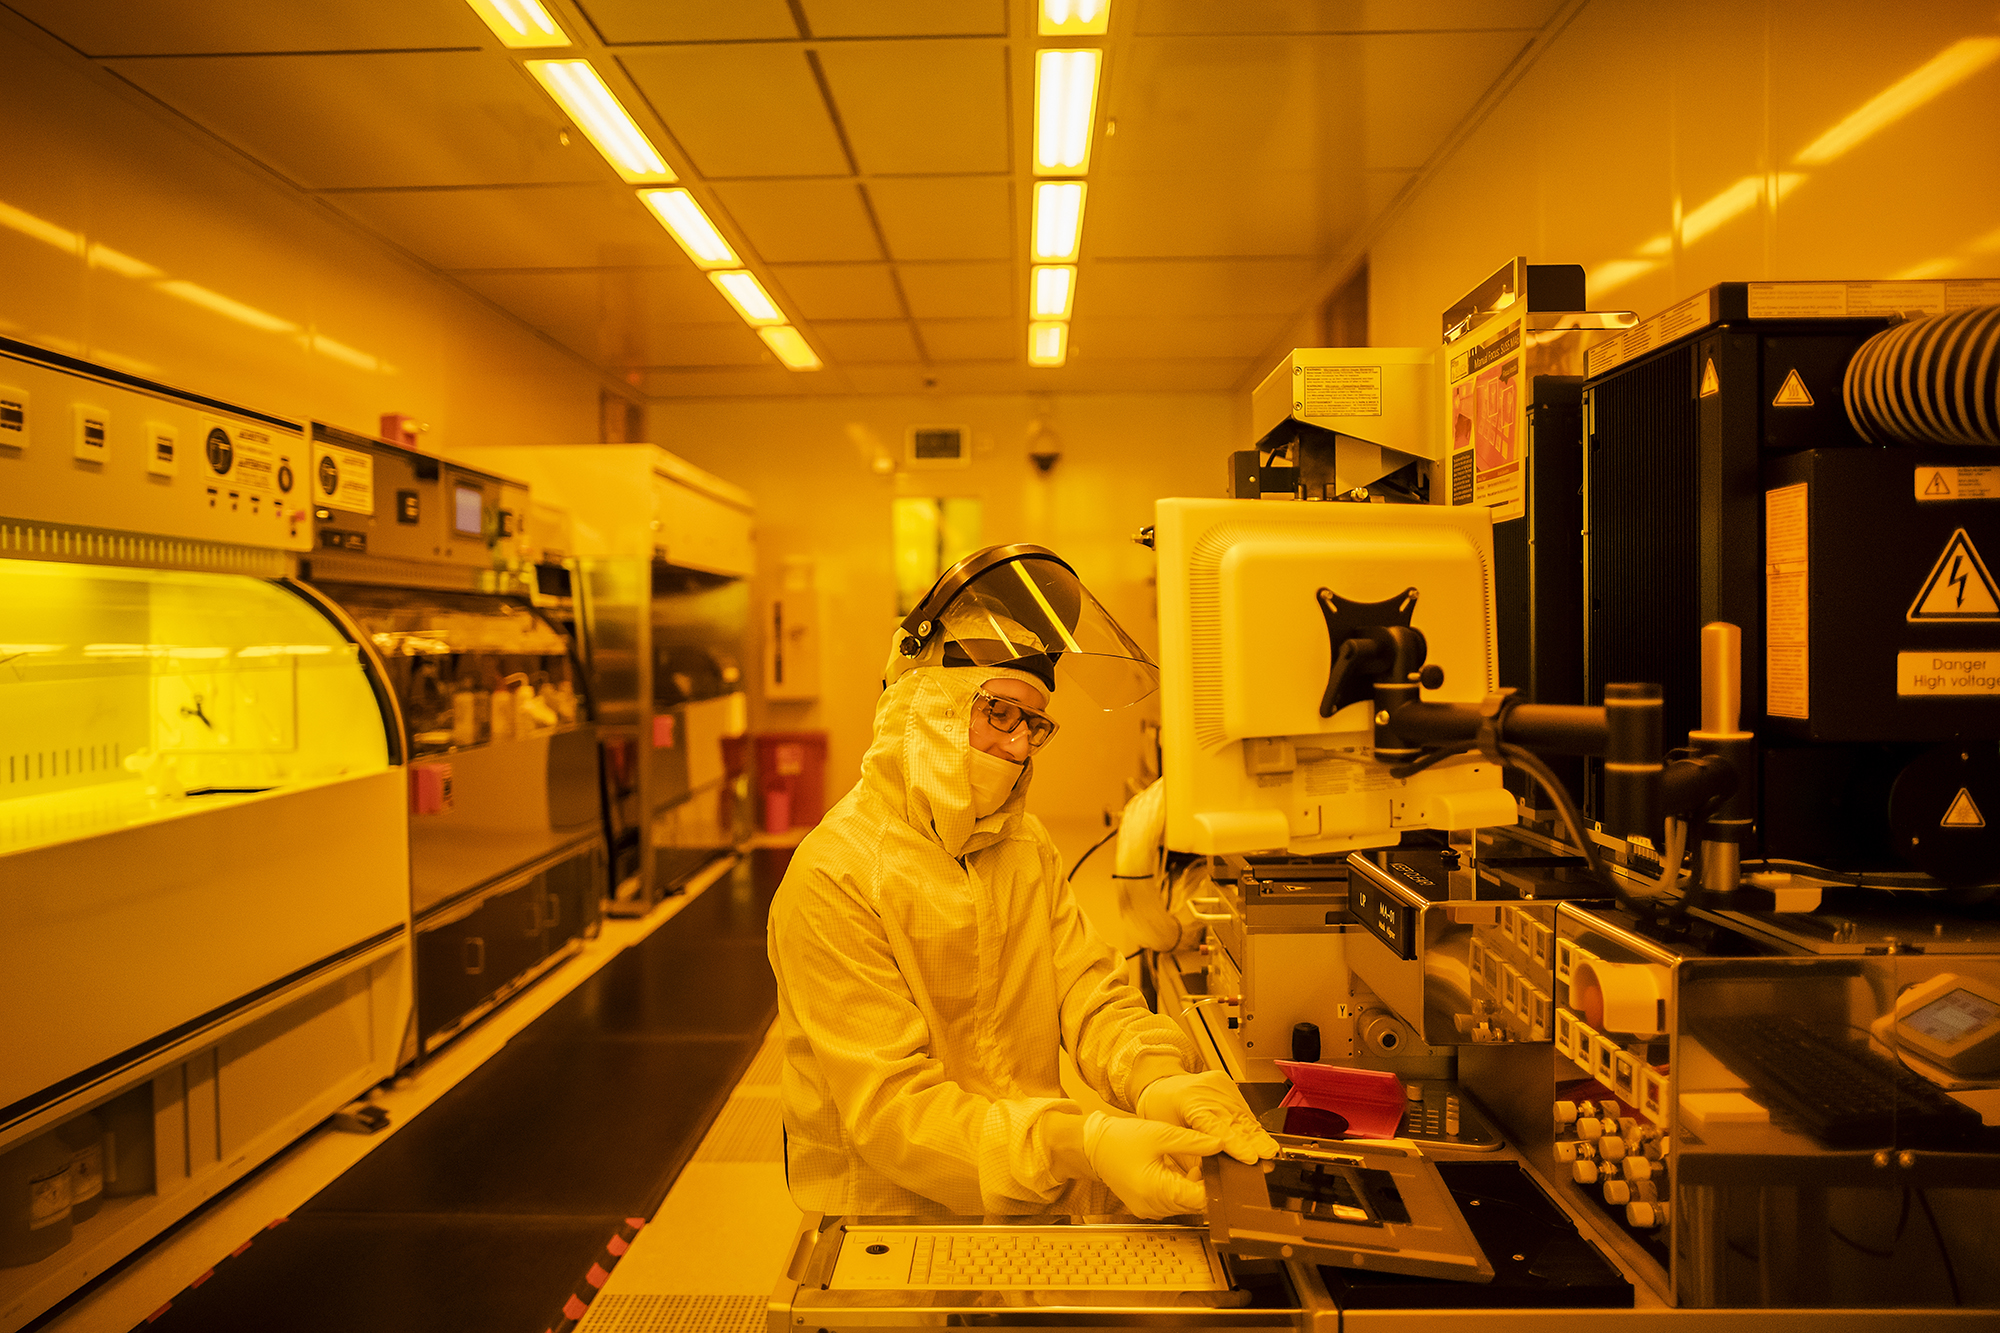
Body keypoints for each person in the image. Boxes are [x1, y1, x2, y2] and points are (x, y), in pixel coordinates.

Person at [767, 546, 1277, 1218]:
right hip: (891, 1218)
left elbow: (1087, 991)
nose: (1017, 746)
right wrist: (1084, 1142)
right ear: (930, 708)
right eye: (999, 713)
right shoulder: (835, 875)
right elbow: (895, 1116)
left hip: (1038, 1191)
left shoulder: (1022, 846)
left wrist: (1155, 1077)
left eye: (1033, 724)